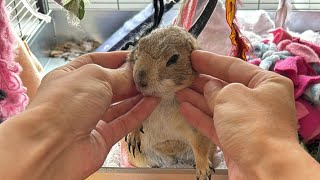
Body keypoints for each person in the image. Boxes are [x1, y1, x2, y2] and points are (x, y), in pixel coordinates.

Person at [0, 50, 319, 179]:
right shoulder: (132, 98)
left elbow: (199, 134)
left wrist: (266, 151)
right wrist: (273, 155)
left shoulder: (196, 99)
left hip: (188, 151)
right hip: (145, 153)